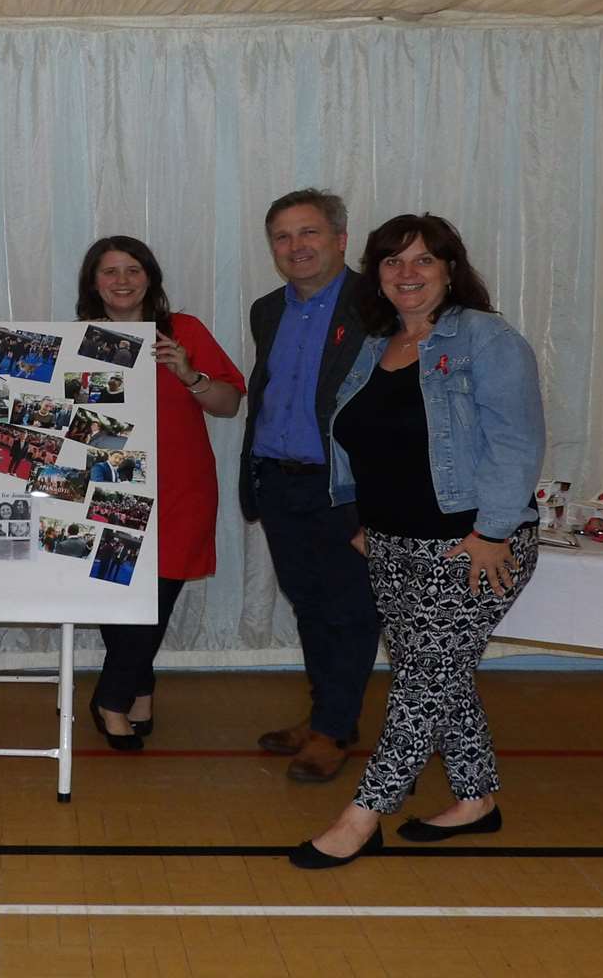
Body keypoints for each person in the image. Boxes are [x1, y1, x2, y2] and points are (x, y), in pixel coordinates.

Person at [289, 213, 545, 869]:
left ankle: (362, 816)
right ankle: (475, 799)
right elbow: (355, 440)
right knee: (434, 678)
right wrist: (358, 521)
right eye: (393, 261)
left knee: (422, 686)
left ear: (450, 270)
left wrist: (492, 533)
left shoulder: (486, 340)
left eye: (424, 260)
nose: (407, 274)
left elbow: (518, 445)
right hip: (391, 544)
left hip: (470, 547)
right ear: (377, 273)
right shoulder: (377, 343)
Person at [74, 235, 244, 752]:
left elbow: (229, 404)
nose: (123, 281)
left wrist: (189, 374)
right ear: (93, 283)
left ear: (150, 276)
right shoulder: (76, 337)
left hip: (181, 485)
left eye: (133, 270)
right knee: (115, 594)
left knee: (158, 595)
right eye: (110, 272)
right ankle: (139, 685)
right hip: (105, 486)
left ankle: (110, 697)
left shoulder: (184, 331)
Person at [242, 189, 382, 783]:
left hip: (345, 488)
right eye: (282, 236)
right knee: (309, 605)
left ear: (341, 240)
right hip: (278, 480)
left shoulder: (375, 307)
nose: (295, 246)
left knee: (351, 610)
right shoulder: (266, 309)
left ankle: (331, 730)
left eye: (309, 233)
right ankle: (331, 717)